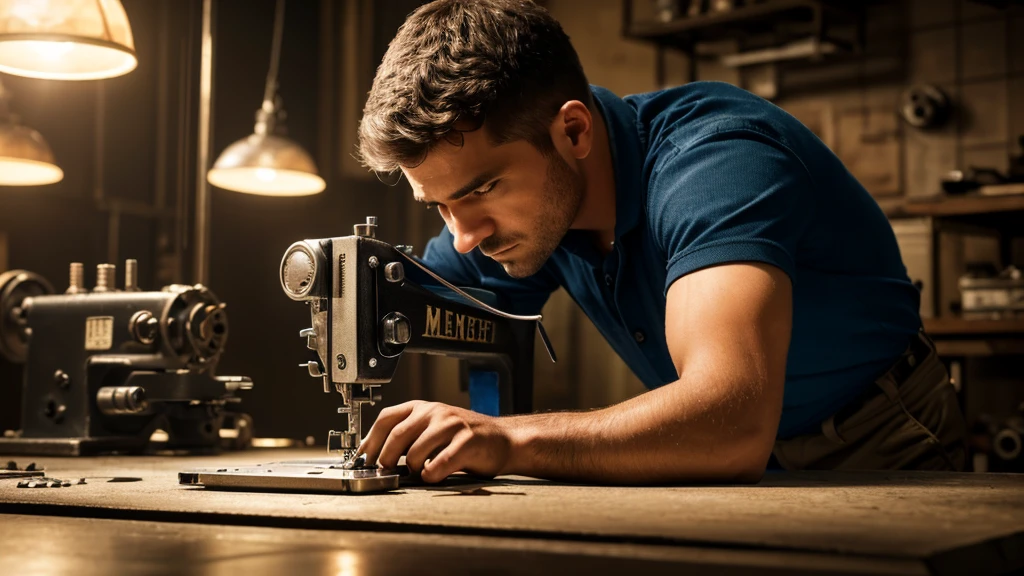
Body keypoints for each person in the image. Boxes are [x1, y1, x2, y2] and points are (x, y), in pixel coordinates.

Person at [353, 0, 967, 484]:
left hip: (876, 438)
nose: (462, 237)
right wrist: (346, 287)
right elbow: (414, 293)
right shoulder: (532, 207)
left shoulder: (718, 164)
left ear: (572, 130)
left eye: (482, 189)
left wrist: (506, 438)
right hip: (727, 463)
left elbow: (729, 422)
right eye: (439, 205)